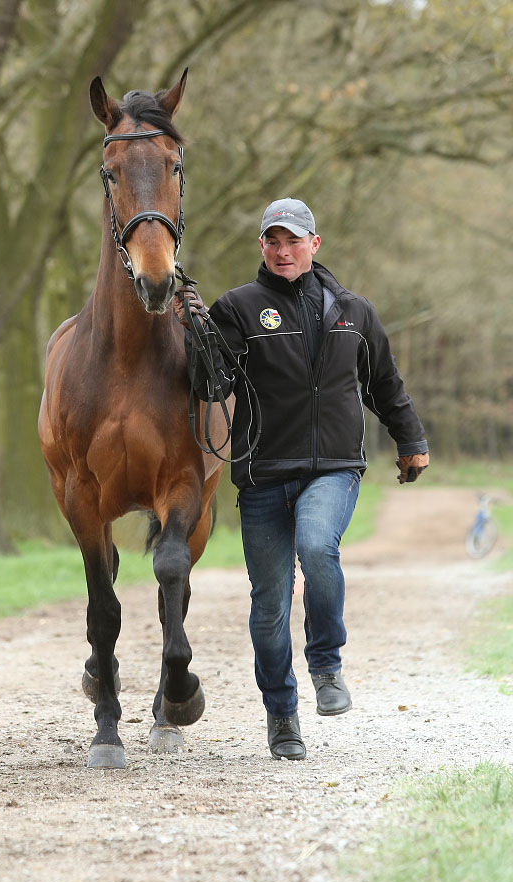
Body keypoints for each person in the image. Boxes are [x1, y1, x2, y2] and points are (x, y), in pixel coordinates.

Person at [174, 198, 429, 761]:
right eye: (272, 241)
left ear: (315, 245)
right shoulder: (237, 308)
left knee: (318, 549)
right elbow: (211, 386)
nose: (282, 250)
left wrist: (411, 441)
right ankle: (282, 714)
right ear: (261, 247)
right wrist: (199, 335)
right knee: (269, 605)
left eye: (293, 241)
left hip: (333, 468)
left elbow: (384, 383)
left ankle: (327, 665)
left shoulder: (354, 311)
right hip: (264, 474)